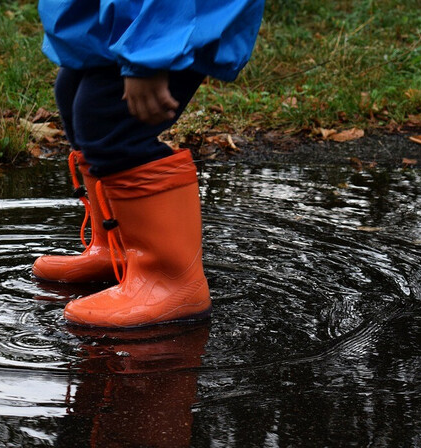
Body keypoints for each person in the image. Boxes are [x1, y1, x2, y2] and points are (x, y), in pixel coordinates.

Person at [33, 0, 265, 328]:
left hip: (165, 20)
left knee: (109, 122)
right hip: (122, 18)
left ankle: (170, 283)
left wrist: (150, 53)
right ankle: (118, 249)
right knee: (73, 96)